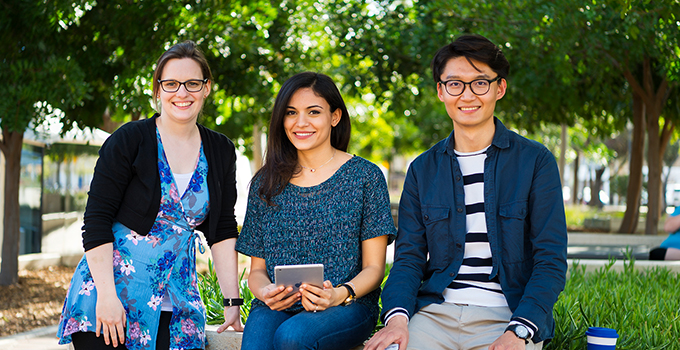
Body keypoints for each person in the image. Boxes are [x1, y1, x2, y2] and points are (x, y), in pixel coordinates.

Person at [365, 34, 568, 350]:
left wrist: (519, 331)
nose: (467, 95)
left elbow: (551, 260)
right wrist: (397, 319)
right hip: (434, 314)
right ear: (441, 91)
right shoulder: (422, 170)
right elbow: (408, 259)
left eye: (480, 83)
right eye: (455, 84)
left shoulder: (535, 161)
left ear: (499, 88)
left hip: (508, 316)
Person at [57, 40, 243, 350]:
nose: (181, 93)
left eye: (192, 83)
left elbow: (223, 228)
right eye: (171, 83)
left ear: (206, 88)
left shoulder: (221, 149)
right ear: (157, 90)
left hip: (177, 299)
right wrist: (107, 296)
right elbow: (96, 221)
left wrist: (232, 300)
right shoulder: (129, 140)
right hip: (111, 293)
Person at [235, 71, 396, 350]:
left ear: (334, 117)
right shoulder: (265, 183)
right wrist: (266, 291)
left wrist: (339, 294)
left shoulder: (365, 177)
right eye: (291, 113)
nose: (301, 123)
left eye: (313, 112)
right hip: (278, 306)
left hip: (348, 304)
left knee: (293, 337)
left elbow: (374, 268)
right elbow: (257, 271)